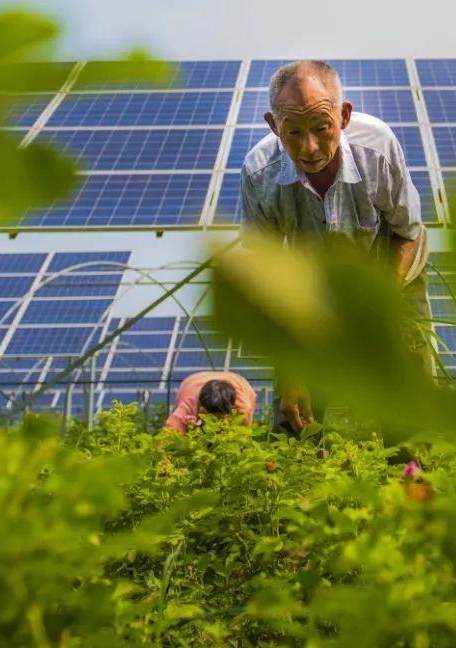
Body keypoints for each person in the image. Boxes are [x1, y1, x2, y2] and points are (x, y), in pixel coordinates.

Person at [239, 59, 431, 435]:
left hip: (390, 267)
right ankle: (297, 477)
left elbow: (406, 232)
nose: (309, 148)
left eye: (321, 128)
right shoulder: (259, 172)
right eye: (292, 132)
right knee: (295, 411)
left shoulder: (377, 148)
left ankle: (413, 473)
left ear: (343, 116)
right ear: (273, 124)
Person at [164, 371, 258, 434]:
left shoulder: (242, 404)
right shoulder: (187, 403)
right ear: (202, 410)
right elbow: (170, 433)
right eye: (212, 418)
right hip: (191, 383)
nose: (216, 423)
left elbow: (245, 434)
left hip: (236, 381)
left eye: (220, 417)